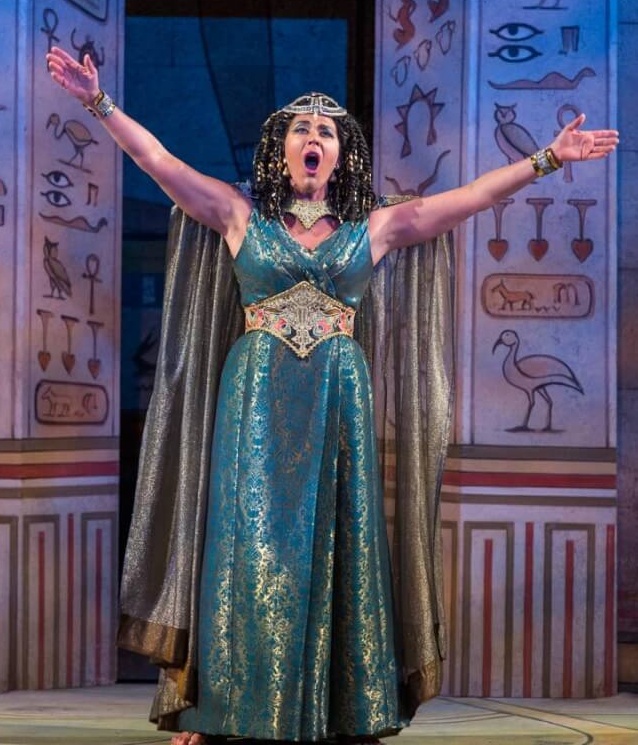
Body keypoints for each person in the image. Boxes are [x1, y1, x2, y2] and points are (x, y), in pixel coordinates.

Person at [47, 47, 618, 745]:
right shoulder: (238, 215)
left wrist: (548, 159)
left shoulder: (373, 228)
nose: (313, 137)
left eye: (326, 131)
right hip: (256, 394)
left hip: (337, 393)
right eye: (301, 129)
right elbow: (157, 161)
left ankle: (343, 706)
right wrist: (97, 102)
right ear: (280, 149)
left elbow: (469, 198)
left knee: (339, 541)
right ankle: (216, 707)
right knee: (249, 547)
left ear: (341, 155)